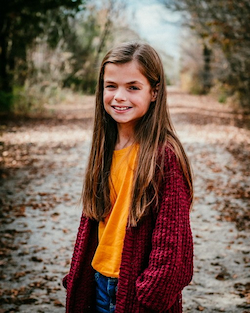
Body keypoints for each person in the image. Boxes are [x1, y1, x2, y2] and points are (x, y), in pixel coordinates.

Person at [63, 42, 193, 313]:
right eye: (111, 86)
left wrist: (150, 294)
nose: (119, 96)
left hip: (135, 291)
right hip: (98, 281)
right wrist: (79, 274)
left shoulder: (164, 155)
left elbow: (173, 242)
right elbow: (97, 220)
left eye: (133, 87)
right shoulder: (105, 148)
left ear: (154, 92)